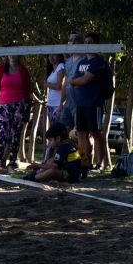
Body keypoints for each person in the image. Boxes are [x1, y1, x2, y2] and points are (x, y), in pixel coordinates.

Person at [69, 32, 110, 173]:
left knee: (96, 133)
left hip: (94, 103)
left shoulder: (98, 61)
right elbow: (76, 78)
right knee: (80, 134)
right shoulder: (82, 62)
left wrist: (75, 81)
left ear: (96, 44)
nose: (87, 44)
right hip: (80, 103)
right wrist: (76, 81)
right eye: (86, 42)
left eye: (90, 42)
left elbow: (84, 79)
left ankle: (101, 164)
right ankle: (84, 162)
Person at [0, 54, 32, 174]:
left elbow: (28, 90)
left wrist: (26, 109)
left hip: (18, 106)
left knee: (15, 136)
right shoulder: (1, 68)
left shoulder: (23, 70)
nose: (12, 56)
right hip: (4, 105)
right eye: (10, 53)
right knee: (2, 136)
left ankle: (11, 164)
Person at [58, 32, 84, 130]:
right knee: (63, 130)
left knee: (81, 133)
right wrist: (61, 103)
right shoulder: (67, 61)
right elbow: (65, 82)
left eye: (75, 40)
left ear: (81, 42)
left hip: (80, 103)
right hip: (68, 103)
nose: (72, 43)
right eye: (70, 40)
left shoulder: (85, 59)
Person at [43, 53, 65, 162]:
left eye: (54, 55)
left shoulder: (61, 67)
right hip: (50, 104)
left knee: (58, 133)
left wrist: (47, 85)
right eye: (49, 55)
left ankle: (57, 158)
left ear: (60, 56)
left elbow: (59, 86)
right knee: (51, 133)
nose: (51, 57)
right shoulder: (52, 70)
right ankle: (49, 159)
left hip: (58, 104)